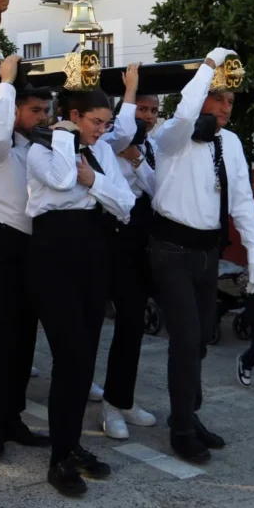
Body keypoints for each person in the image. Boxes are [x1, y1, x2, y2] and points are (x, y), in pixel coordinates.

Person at [151, 48, 254, 463]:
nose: (226, 107)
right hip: (171, 250)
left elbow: (243, 203)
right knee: (184, 340)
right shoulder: (172, 137)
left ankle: (187, 414)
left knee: (198, 341)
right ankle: (181, 429)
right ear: (201, 99)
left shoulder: (231, 143)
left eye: (230, 101)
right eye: (218, 99)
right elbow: (184, 115)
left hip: (205, 252)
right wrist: (209, 65)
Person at [27, 89, 135, 497]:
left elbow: (125, 204)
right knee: (70, 354)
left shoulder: (102, 151)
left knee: (86, 355)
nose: (102, 130)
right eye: (95, 122)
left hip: (93, 253)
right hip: (52, 254)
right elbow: (59, 179)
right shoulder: (41, 147)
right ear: (74, 115)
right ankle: (60, 458)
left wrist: (93, 181)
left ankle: (71, 445)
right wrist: (88, 179)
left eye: (107, 123)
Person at [0, 56, 52, 460]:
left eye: (45, 110)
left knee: (24, 342)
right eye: (34, 110)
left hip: (30, 253)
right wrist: (5, 83)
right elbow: (0, 137)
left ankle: (13, 416)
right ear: (14, 110)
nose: (42, 117)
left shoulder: (41, 149)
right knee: (0, 342)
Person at [97, 66, 159, 439]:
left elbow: (156, 186)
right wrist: (130, 89)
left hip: (137, 237)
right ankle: (97, 395)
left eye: (153, 111)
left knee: (132, 322)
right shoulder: (108, 141)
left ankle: (120, 400)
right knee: (91, 320)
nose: (148, 117)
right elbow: (120, 134)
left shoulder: (150, 146)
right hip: (107, 234)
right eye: (141, 109)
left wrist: (138, 158)